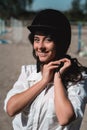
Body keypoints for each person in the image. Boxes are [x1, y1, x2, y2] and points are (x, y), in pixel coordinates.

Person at [4, 9, 87, 130]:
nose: (40, 46)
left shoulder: (79, 77)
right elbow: (11, 109)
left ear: (61, 42)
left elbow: (65, 118)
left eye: (48, 39)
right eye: (37, 39)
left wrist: (57, 78)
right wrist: (43, 81)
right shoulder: (28, 73)